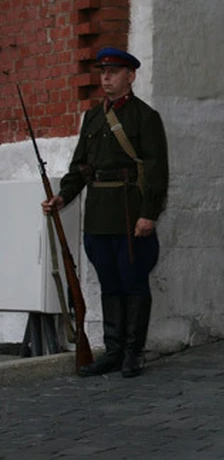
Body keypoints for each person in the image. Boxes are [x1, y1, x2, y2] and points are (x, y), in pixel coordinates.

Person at [41, 47, 169, 378]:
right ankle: (113, 351)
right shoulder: (94, 118)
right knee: (110, 283)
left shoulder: (145, 117)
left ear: (131, 76)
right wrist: (62, 197)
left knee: (134, 282)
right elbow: (81, 167)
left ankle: (133, 352)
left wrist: (149, 214)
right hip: (99, 215)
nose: (106, 78)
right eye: (103, 72)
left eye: (113, 72)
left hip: (130, 214)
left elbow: (157, 172)